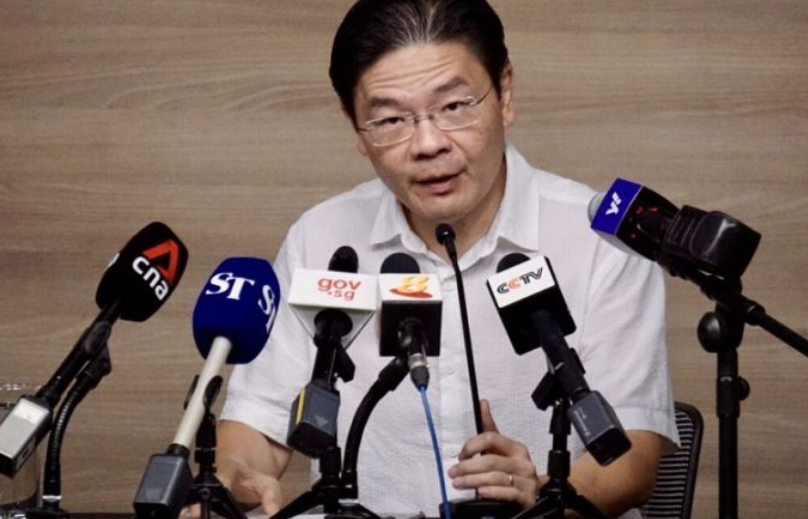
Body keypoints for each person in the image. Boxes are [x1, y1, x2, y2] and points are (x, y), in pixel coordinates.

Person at [217, 1, 679, 518]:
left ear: (505, 93)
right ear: (356, 128)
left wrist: (543, 492)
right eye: (390, 119)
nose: (429, 144)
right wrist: (233, 477)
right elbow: (259, 421)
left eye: (455, 106)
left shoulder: (598, 240)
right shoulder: (322, 238)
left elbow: (632, 458)